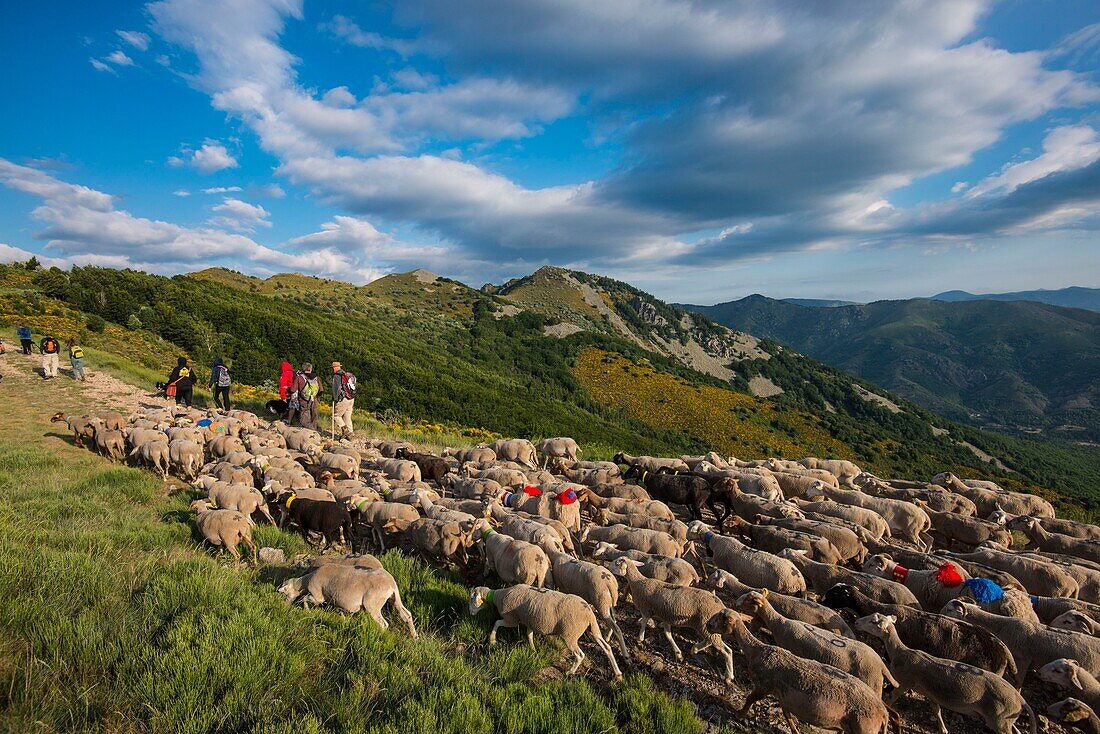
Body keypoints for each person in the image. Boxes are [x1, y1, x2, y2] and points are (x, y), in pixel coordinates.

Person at [290, 362, 322, 430]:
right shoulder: (316, 378)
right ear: (311, 369)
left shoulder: (299, 377)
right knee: (314, 416)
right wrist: (316, 396)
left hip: (304, 400)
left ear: (303, 369)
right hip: (314, 400)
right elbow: (321, 390)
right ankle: (314, 431)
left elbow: (293, 390)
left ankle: (309, 431)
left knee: (304, 418)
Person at [331, 361, 357, 439]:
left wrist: (335, 398)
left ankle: (346, 432)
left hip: (343, 398)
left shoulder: (337, 376)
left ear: (335, 368)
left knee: (336, 416)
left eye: (332, 368)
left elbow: (337, 388)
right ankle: (350, 434)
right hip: (351, 398)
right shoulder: (347, 375)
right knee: (347, 417)